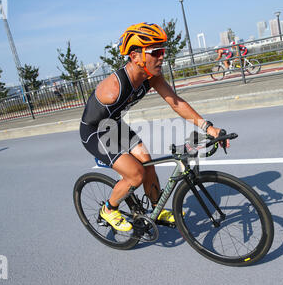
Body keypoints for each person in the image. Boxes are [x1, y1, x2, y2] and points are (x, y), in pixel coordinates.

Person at [80, 22, 228, 231]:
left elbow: (175, 102)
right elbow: (98, 122)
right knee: (136, 174)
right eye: (155, 52)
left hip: (113, 125)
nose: (161, 57)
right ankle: (109, 208)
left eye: (163, 51)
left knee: (147, 162)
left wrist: (208, 127)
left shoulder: (151, 77)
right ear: (135, 57)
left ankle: (156, 210)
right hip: (95, 131)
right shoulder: (113, 89)